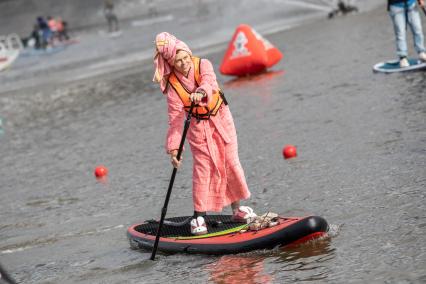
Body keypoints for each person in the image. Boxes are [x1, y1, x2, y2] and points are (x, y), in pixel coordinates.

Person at [153, 32, 256, 235]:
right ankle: (199, 216)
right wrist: (175, 149)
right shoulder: (173, 86)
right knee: (203, 169)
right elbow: (175, 120)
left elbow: (209, 82)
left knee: (230, 161)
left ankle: (237, 210)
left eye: (185, 58)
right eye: (178, 62)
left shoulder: (203, 65)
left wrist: (201, 92)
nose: (184, 64)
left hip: (221, 120)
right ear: (171, 63)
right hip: (198, 129)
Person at [388, 0, 426, 67]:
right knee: (400, 33)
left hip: (411, 4)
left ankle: (421, 52)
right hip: (396, 6)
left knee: (418, 29)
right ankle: (403, 57)